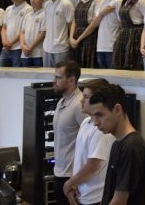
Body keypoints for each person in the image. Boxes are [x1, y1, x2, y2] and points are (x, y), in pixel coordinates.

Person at [89, 83, 145, 205]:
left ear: (117, 109)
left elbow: (119, 201)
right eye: (93, 116)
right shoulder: (117, 144)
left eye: (99, 115)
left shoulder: (132, 146)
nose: (95, 123)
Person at [65, 79, 115, 205]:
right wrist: (73, 184)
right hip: (81, 194)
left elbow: (93, 164)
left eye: (86, 97)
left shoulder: (100, 130)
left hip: (94, 198)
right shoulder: (85, 122)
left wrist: (69, 183)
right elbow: (78, 156)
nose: (81, 101)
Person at [52, 60, 86, 205]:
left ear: (72, 80)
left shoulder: (80, 104)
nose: (54, 81)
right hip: (59, 172)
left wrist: (75, 179)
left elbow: (88, 143)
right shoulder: (62, 102)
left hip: (71, 177)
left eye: (58, 78)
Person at [113, 0, 145, 71]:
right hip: (124, 34)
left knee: (134, 66)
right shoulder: (127, 0)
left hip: (136, 36)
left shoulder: (141, 1)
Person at [69, 0, 103, 68]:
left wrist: (79, 39)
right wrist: (71, 37)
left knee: (87, 64)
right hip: (76, 36)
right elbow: (74, 21)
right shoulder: (80, 0)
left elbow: (94, 24)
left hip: (89, 36)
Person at [43, 0, 74, 67]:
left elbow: (71, 24)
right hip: (47, 47)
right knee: (46, 76)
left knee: (59, 75)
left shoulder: (66, 3)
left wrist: (69, 39)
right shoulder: (47, 4)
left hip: (60, 47)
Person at [20, 0, 47, 67]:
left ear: (42, 0)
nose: (33, 0)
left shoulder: (45, 14)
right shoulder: (27, 15)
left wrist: (30, 47)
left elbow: (42, 33)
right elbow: (22, 32)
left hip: (38, 53)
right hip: (25, 53)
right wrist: (22, 46)